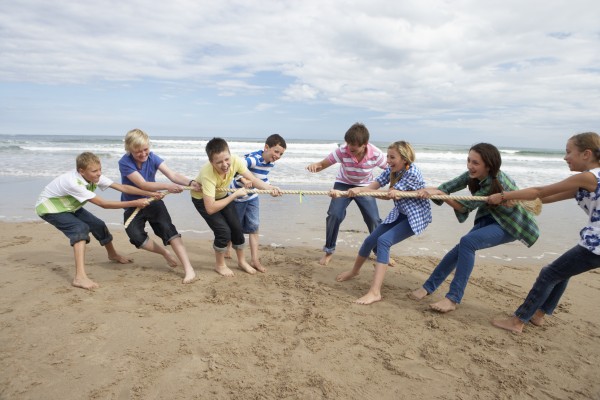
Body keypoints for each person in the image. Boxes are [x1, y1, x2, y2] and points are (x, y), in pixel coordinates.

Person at [487, 132, 600, 333]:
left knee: (549, 273)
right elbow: (546, 198)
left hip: (596, 244)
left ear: (586, 154)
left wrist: (504, 195)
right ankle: (539, 315)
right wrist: (516, 199)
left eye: (568, 152)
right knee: (562, 272)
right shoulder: (588, 181)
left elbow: (539, 191)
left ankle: (518, 320)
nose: (565, 157)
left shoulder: (588, 176)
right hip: (595, 242)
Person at [409, 143, 540, 313]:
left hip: (511, 224)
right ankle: (428, 287)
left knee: (468, 242)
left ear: (489, 165)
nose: (470, 166)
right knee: (460, 249)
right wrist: (427, 190)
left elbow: (463, 207)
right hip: (491, 217)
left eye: (476, 163)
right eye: (469, 160)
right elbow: (447, 187)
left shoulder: (496, 182)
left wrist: (442, 195)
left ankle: (452, 298)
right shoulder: (472, 175)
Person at [35, 152, 160, 290]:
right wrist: (134, 202)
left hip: (70, 206)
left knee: (98, 225)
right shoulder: (73, 183)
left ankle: (112, 255)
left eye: (100, 170)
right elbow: (103, 204)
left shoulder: (93, 176)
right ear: (81, 171)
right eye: (94, 171)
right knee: (80, 229)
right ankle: (79, 278)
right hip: (50, 208)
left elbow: (123, 187)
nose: (99, 174)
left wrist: (150, 194)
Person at [335, 141, 432, 304]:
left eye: (392, 157)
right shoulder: (392, 169)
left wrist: (361, 191)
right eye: (387, 156)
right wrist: (359, 190)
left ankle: (375, 292)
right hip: (401, 212)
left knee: (383, 242)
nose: (387, 160)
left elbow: (388, 195)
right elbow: (374, 185)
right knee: (370, 240)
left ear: (404, 158)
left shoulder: (412, 172)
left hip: (415, 216)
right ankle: (354, 271)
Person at [191, 137, 282, 277]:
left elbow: (253, 179)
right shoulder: (208, 174)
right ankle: (220, 265)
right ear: (211, 162)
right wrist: (234, 195)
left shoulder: (235, 161)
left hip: (221, 195)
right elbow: (211, 208)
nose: (225, 165)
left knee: (236, 228)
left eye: (226, 159)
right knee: (223, 231)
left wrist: (270, 188)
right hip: (203, 199)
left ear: (230, 154)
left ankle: (241, 261)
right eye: (219, 162)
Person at [118, 128, 198, 284]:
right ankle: (164, 253)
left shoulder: (152, 157)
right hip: (134, 204)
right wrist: (168, 187)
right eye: (137, 151)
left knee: (169, 230)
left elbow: (173, 175)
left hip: (153, 201)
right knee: (136, 237)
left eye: (145, 149)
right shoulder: (124, 162)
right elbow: (143, 184)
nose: (143, 154)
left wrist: (190, 182)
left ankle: (189, 269)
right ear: (129, 150)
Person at [306, 122, 387, 265]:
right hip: (343, 183)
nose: (349, 149)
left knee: (373, 219)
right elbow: (322, 164)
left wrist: (396, 185)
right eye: (348, 144)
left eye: (354, 147)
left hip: (365, 186)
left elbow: (392, 170)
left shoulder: (376, 154)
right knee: (334, 215)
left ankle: (379, 252)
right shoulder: (342, 150)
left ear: (364, 144)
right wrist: (314, 166)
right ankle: (329, 251)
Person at [226, 134, 286, 272]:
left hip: (252, 197)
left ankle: (254, 259)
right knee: (234, 227)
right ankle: (228, 246)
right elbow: (233, 169)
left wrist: (271, 188)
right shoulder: (252, 159)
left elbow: (263, 179)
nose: (277, 156)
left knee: (254, 226)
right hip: (237, 197)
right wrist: (244, 179)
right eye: (276, 151)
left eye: (281, 154)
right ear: (266, 147)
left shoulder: (270, 163)